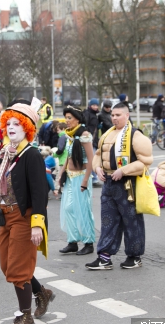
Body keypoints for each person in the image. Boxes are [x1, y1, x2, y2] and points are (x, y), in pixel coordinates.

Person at [0, 101, 52, 324]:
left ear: (27, 128)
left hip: (24, 217)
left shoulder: (31, 155)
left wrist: (37, 225)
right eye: (8, 123)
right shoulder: (6, 153)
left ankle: (25, 317)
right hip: (5, 215)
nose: (11, 127)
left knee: (17, 268)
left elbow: (40, 192)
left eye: (17, 124)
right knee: (7, 266)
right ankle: (40, 292)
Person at [87, 102, 153, 270]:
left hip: (127, 184)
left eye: (118, 115)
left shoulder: (136, 136)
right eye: (113, 115)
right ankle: (104, 257)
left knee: (132, 221)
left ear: (127, 115)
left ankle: (134, 256)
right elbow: (97, 155)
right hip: (108, 182)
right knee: (108, 220)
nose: (114, 118)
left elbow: (145, 162)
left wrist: (124, 170)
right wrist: (97, 168)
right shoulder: (106, 135)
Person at [58, 106, 96, 256]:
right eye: (66, 118)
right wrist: (61, 175)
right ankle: (72, 241)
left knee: (84, 210)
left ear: (77, 119)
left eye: (69, 118)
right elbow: (68, 157)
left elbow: (91, 159)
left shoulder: (84, 135)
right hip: (70, 177)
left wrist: (85, 180)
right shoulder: (70, 135)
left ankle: (88, 242)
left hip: (81, 176)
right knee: (68, 208)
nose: (66, 121)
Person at [84, 98, 101, 187]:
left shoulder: (95, 114)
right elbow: (85, 125)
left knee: (92, 159)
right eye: (93, 105)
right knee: (92, 159)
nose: (95, 107)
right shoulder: (88, 114)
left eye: (96, 105)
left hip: (93, 139)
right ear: (90, 105)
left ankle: (93, 178)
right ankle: (94, 179)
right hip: (89, 139)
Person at [53, 122, 68, 197]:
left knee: (61, 177)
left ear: (63, 129)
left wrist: (55, 154)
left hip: (63, 160)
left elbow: (60, 149)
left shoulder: (62, 137)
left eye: (58, 130)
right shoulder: (68, 136)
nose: (57, 132)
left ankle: (63, 192)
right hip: (67, 159)